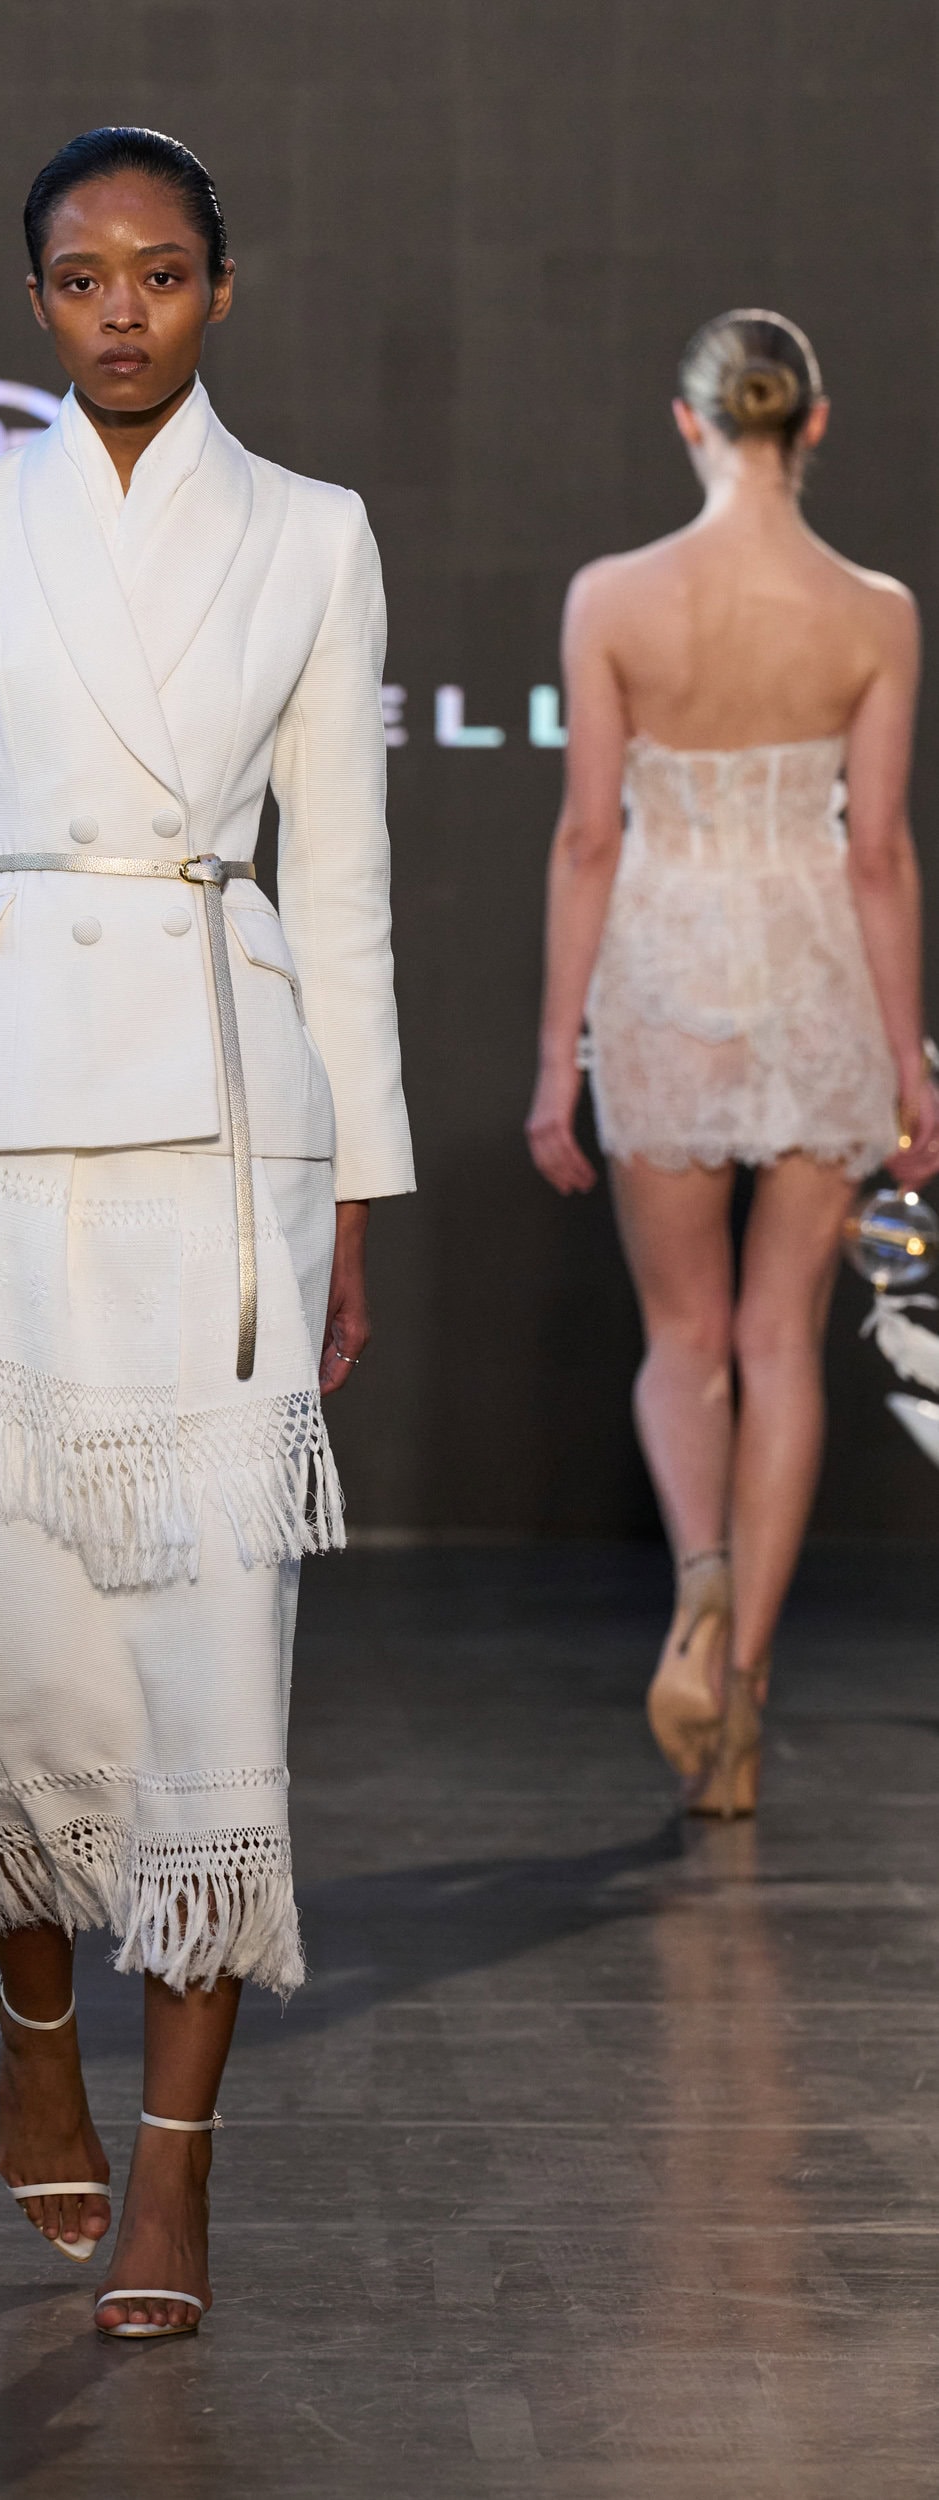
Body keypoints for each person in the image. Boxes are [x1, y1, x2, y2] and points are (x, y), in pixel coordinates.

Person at [0, 127, 412, 2337]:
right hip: (2, 1124)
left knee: (216, 1641)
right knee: (43, 1641)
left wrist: (357, 1199)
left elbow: (343, 885)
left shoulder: (313, 531)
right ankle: (34, 2024)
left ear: (219, 292)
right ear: (38, 302)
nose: (122, 313)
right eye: (83, 278)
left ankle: (178, 2168)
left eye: (160, 274)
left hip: (227, 1115)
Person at [527, 308, 939, 1818]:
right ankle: (744, 1695)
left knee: (684, 1339)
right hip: (816, 974)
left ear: (690, 423)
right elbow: (879, 852)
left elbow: (588, 838)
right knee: (781, 1342)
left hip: (666, 974)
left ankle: (698, 1583)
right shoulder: (873, 611)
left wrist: (556, 1065)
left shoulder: (614, 597)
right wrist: (911, 1067)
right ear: (810, 423)